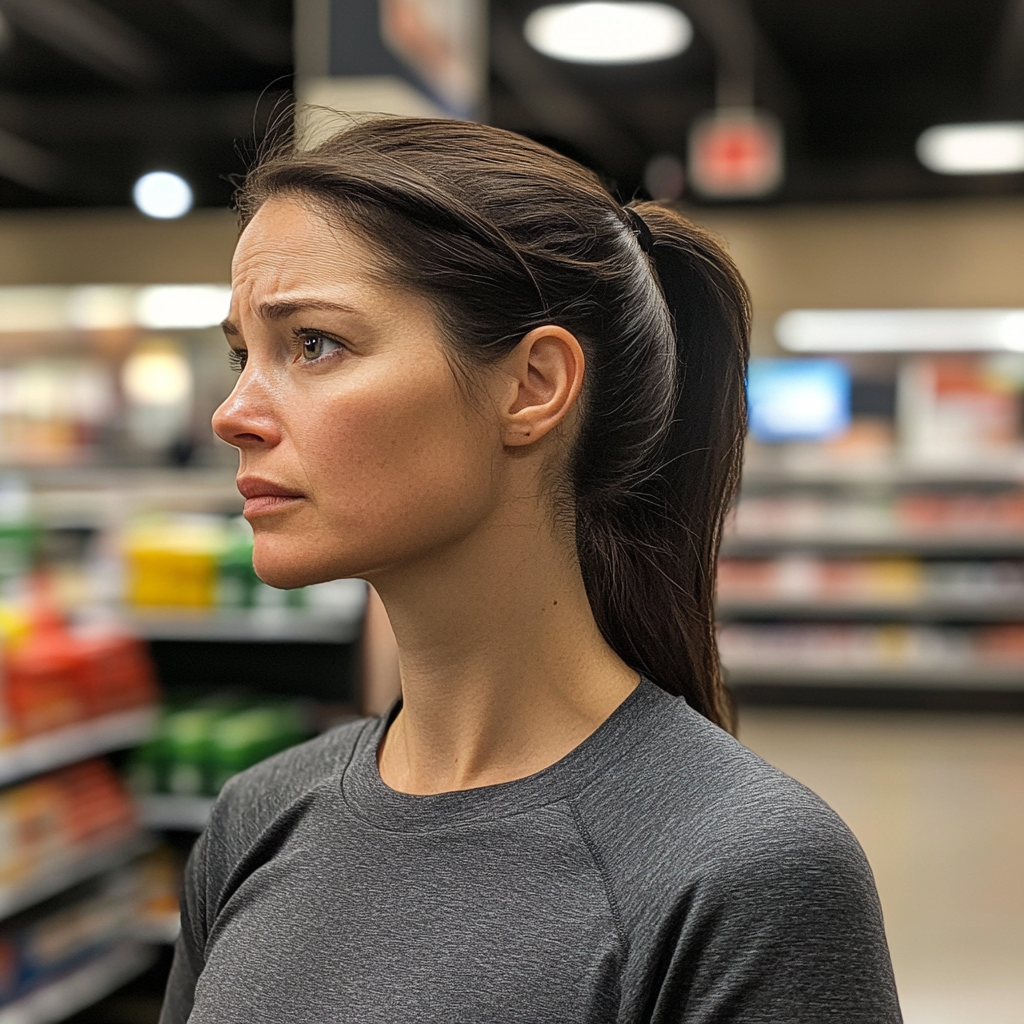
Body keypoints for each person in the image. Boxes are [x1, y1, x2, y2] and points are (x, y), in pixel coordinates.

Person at [160, 117, 902, 1023]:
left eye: (313, 343)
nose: (232, 414)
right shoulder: (257, 817)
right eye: (244, 354)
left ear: (534, 385)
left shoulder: (743, 871)